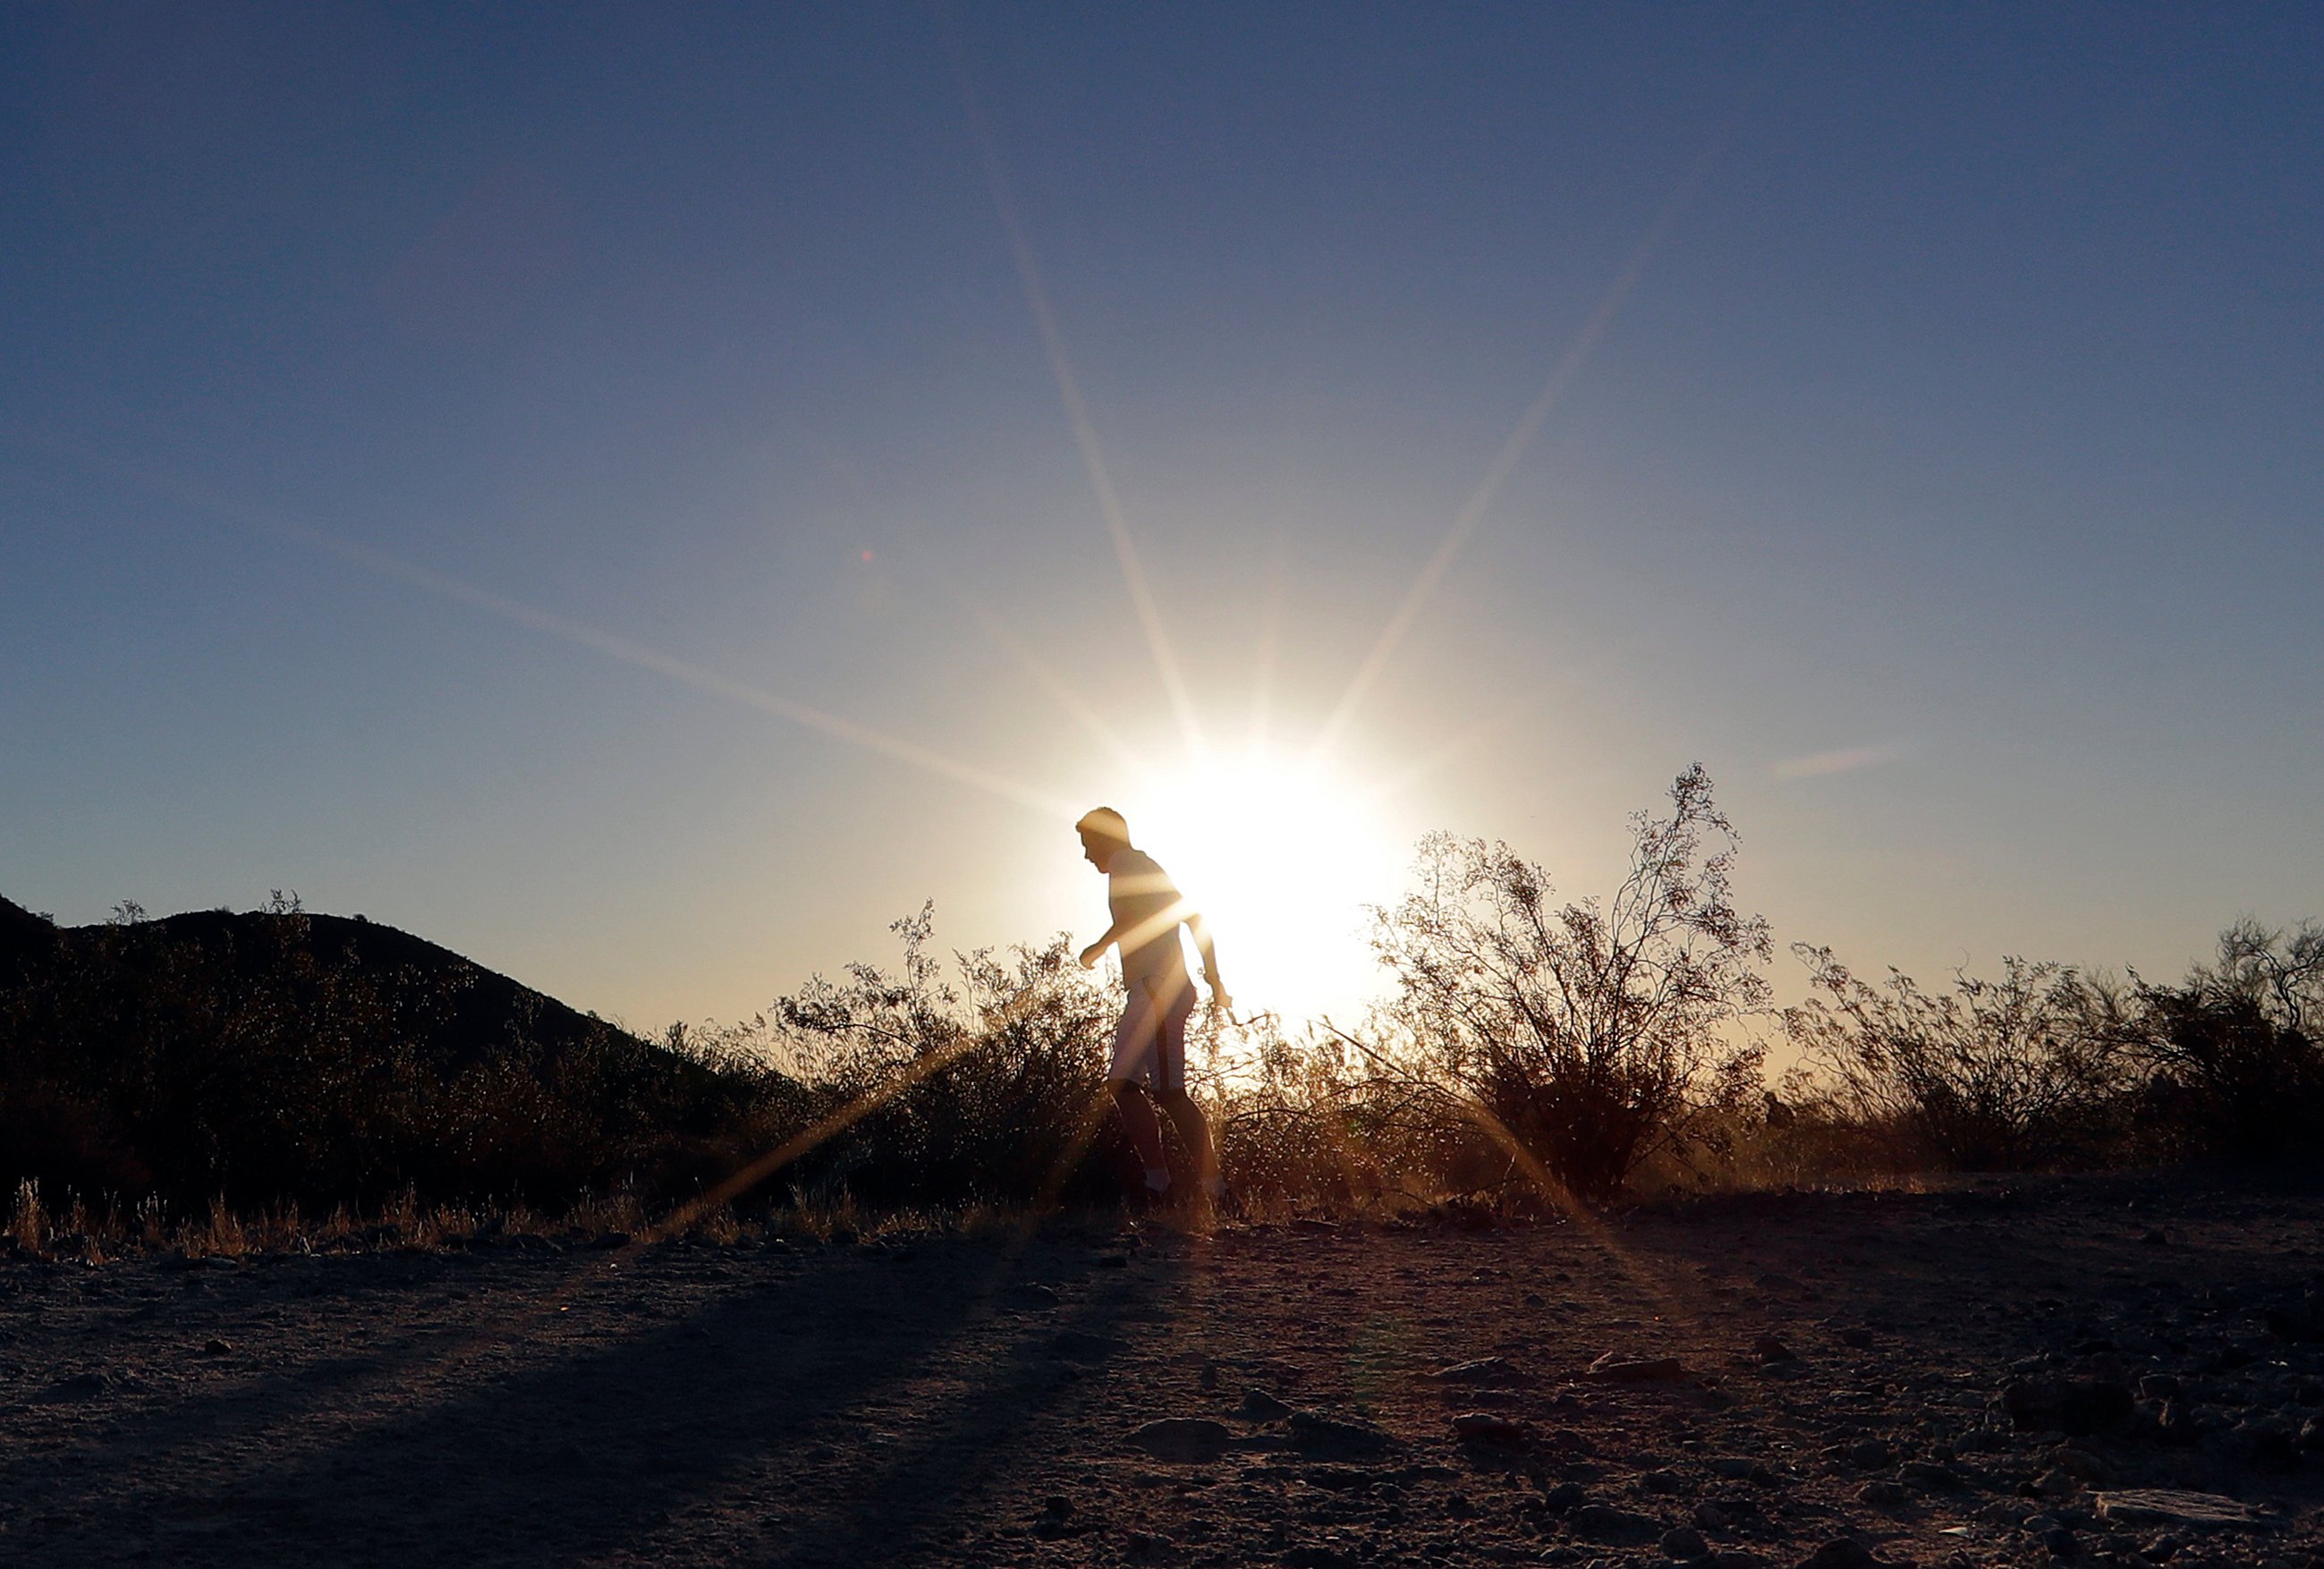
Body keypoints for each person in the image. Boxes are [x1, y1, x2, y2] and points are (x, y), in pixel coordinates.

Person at [1074, 807, 1231, 1208]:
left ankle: (1205, 1191)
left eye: (1088, 844)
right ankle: (1163, 1185)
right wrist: (1214, 979)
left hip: (1159, 989)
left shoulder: (1127, 864)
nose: (1087, 855)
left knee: (1165, 1092)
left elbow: (1132, 917)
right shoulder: (1144, 866)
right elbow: (1193, 918)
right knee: (1129, 1085)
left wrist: (1100, 946)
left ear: (1106, 839)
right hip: (1155, 990)